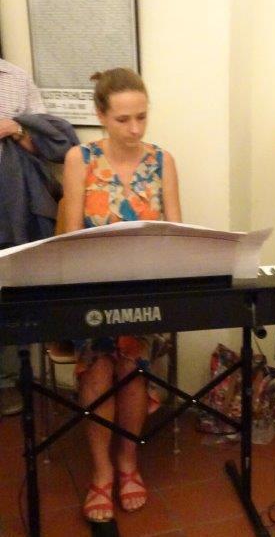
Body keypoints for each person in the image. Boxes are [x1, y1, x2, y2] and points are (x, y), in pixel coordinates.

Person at [62, 67, 182, 522]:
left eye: (142, 117)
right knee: (98, 367)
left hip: (144, 287)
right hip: (91, 289)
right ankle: (102, 472)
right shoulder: (80, 159)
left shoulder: (162, 161)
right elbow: (69, 239)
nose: (135, 129)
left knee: (132, 364)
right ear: (101, 116)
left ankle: (128, 462)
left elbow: (176, 233)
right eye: (123, 119)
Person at [0, 58, 77, 415]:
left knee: (12, 292)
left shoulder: (15, 78)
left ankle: (7, 380)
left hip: (13, 204)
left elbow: (49, 143)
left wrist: (15, 128)